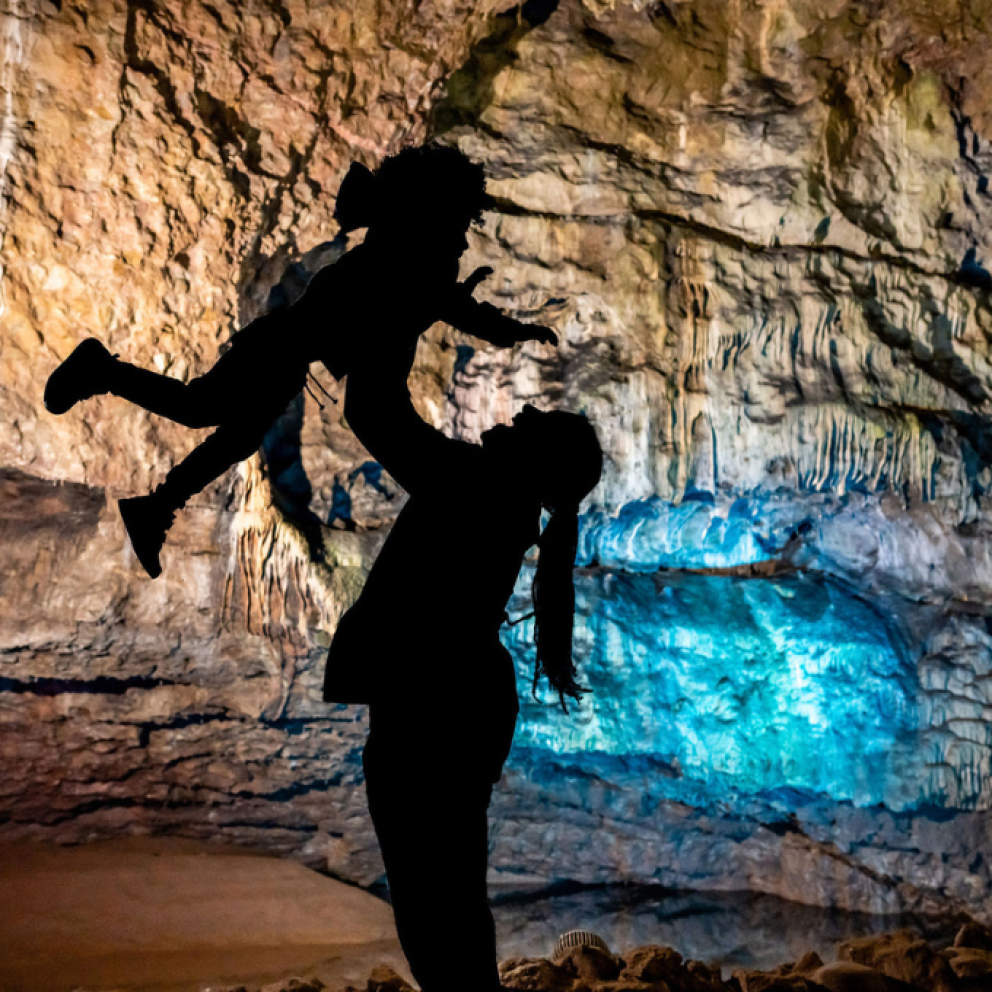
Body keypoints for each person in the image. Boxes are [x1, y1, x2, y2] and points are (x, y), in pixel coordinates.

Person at [42, 144, 555, 578]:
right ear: (437, 210)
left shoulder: (398, 244)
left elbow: (432, 301)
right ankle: (103, 375)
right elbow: (442, 302)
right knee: (201, 409)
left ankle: (154, 507)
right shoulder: (410, 254)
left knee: (232, 434)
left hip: (287, 355)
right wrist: (511, 328)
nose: (465, 232)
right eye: (462, 219)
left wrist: (476, 308)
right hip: (280, 348)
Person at [324, 342, 603, 992]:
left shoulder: (471, 482)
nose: (525, 409)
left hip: (432, 707)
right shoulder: (500, 497)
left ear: (539, 456)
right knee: (452, 897)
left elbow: (371, 411)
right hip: (462, 702)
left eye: (540, 418)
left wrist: (395, 306)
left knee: (431, 908)